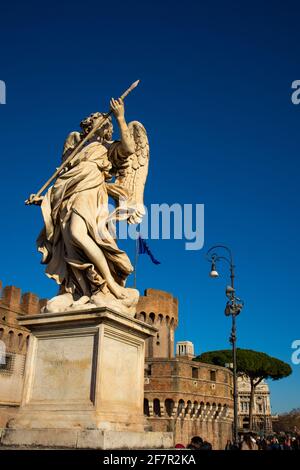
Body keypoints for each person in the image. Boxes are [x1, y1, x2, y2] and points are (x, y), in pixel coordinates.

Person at [28, 98, 138, 308]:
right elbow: (64, 179)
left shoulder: (108, 148)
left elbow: (129, 148)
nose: (92, 125)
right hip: (67, 196)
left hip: (90, 192)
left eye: (98, 122)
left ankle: (111, 287)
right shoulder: (79, 151)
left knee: (79, 234)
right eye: (91, 123)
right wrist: (43, 200)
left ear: (106, 128)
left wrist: (121, 117)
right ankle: (83, 291)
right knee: (69, 242)